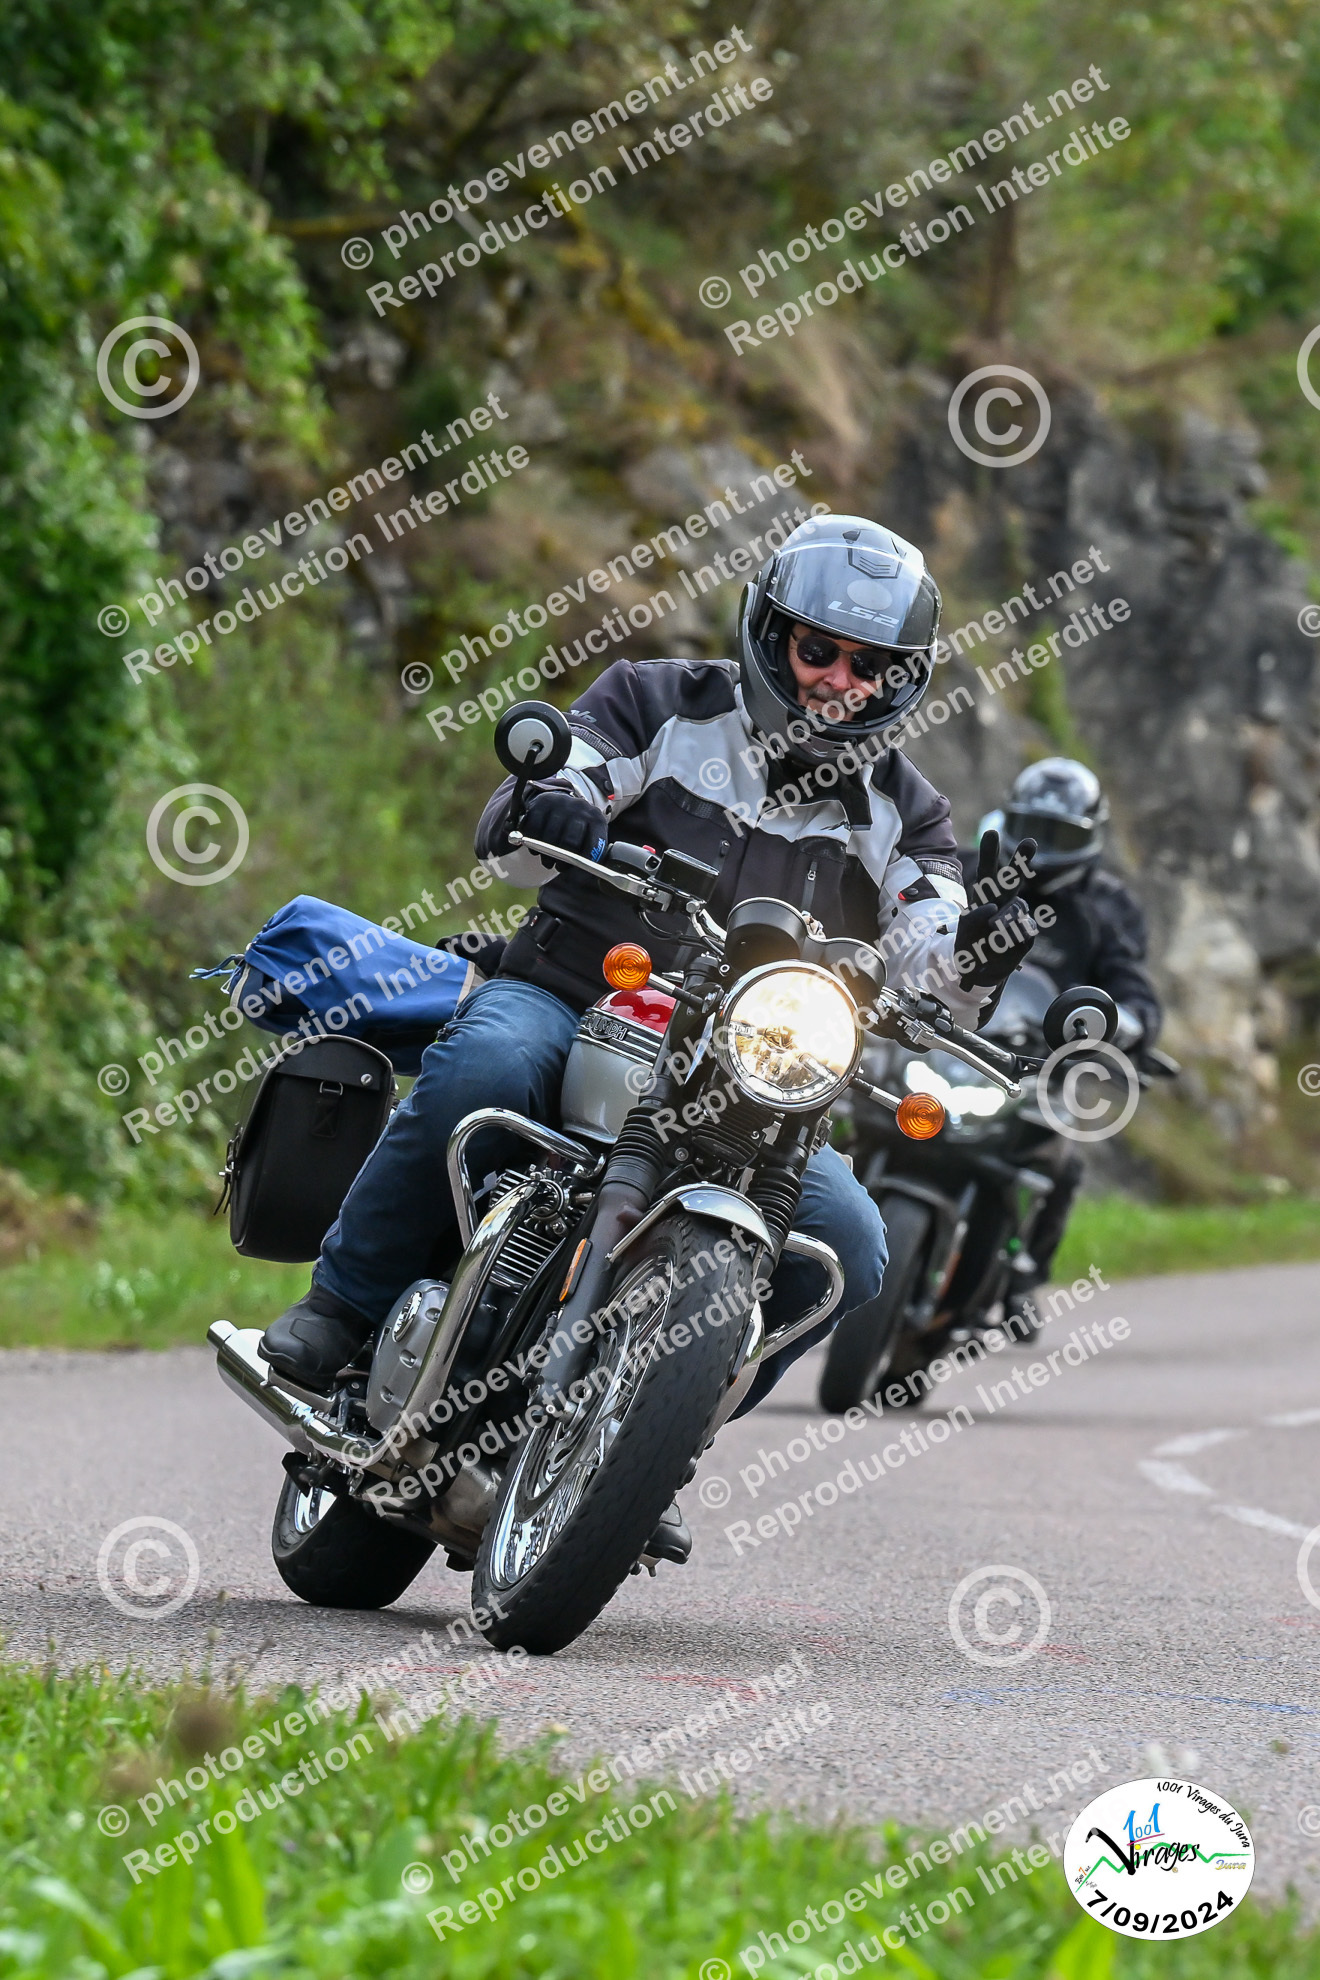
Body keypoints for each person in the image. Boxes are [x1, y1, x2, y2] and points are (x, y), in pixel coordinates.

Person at [260, 513, 1037, 1559]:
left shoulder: (909, 811)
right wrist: (552, 805)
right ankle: (344, 1307)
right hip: (576, 996)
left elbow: (928, 949)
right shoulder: (656, 701)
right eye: (820, 649)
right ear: (772, 635)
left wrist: (981, 947)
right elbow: (540, 809)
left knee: (847, 1247)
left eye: (870, 667)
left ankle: (649, 1442)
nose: (838, 682)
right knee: (486, 1065)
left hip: (750, 1074)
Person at [967, 756, 1162, 1333]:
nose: (1044, 847)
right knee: (855, 1112)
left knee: (1060, 1161)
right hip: (947, 1041)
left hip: (1041, 1065)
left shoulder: (1108, 908)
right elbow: (911, 922)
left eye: (1061, 835)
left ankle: (1024, 1276)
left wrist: (1127, 1023)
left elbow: (1132, 985)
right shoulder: (973, 869)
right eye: (1033, 828)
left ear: (1090, 836)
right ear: (1009, 818)